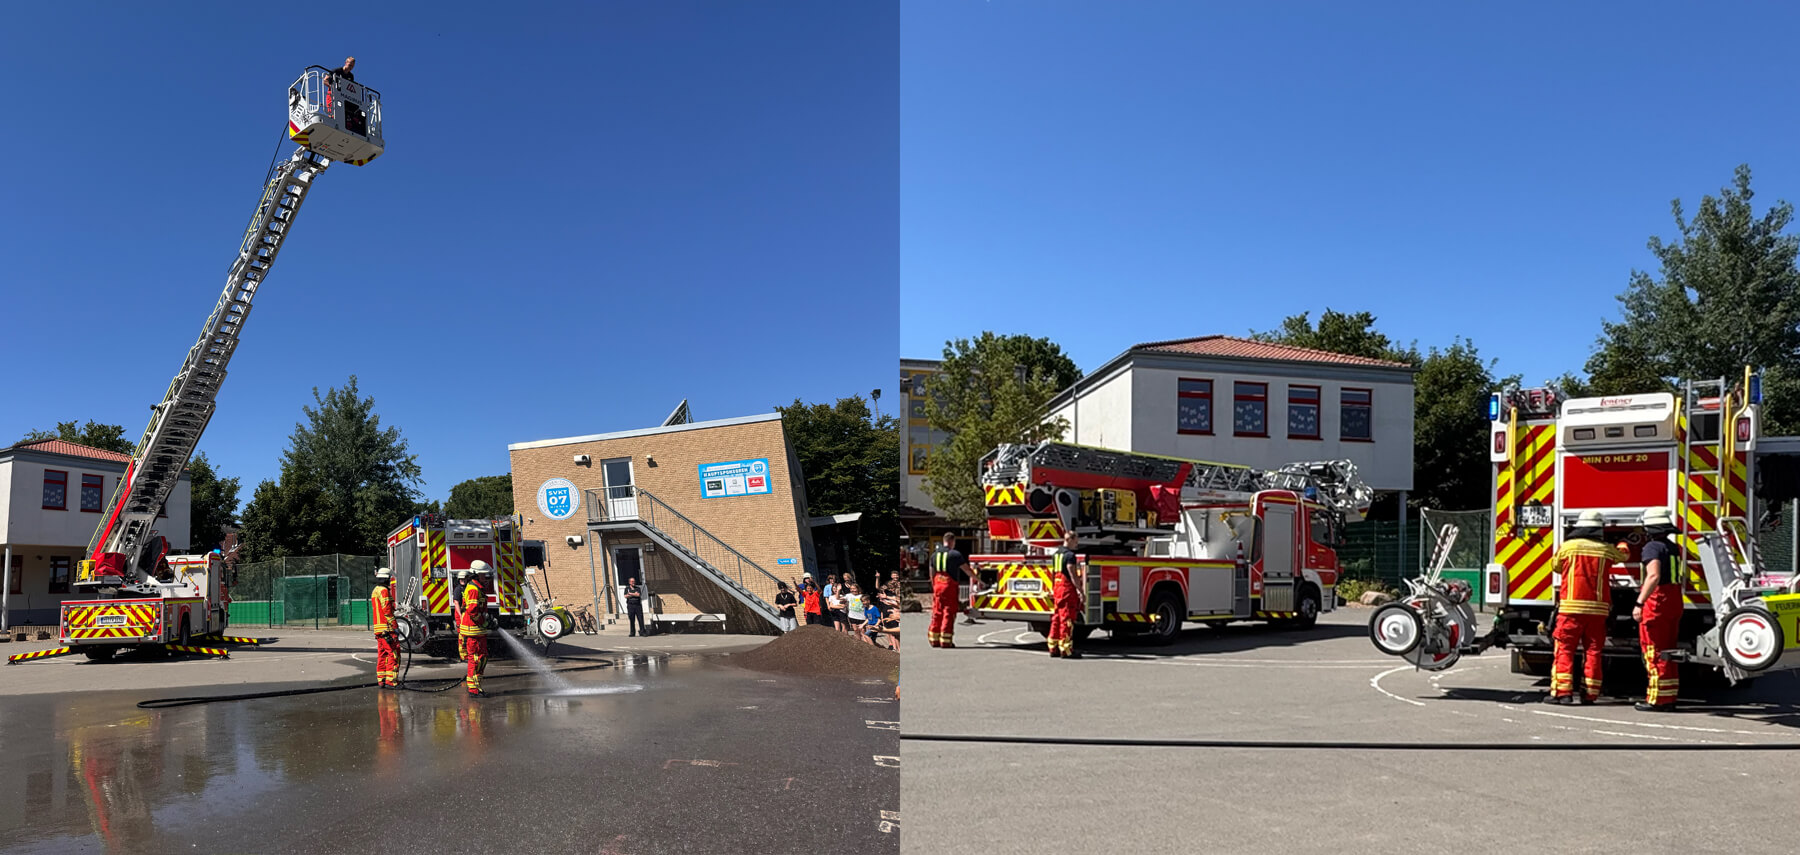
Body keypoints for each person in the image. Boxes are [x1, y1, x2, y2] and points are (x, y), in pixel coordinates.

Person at [1545, 510, 1627, 705]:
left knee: (1564, 649)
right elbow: (1623, 556)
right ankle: (1590, 694)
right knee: (1593, 651)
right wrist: (1622, 542)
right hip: (1598, 610)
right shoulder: (1605, 549)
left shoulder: (1567, 547)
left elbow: (1555, 566)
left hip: (1570, 609)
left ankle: (1562, 693)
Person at [1633, 507, 1682, 712]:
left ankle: (1655, 699)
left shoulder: (1652, 547)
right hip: (1673, 601)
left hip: (1657, 603)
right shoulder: (1672, 547)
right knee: (1668, 651)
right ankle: (1668, 696)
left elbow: (1653, 575)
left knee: (1653, 651)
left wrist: (1639, 603)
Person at [1047, 530, 1084, 659]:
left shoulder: (1056, 554)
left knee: (1056, 618)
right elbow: (1072, 573)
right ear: (1069, 539)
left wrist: (1052, 588)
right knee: (1067, 619)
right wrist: (1080, 590)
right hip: (1067, 590)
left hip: (1057, 589)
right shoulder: (1070, 556)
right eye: (1075, 542)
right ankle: (1066, 649)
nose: (1076, 545)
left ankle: (1053, 646)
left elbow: (1053, 573)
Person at [457, 563, 492, 698]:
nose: (486, 576)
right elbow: (472, 611)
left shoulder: (477, 588)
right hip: (473, 629)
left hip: (477, 629)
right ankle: (473, 689)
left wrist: (487, 618)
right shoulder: (473, 589)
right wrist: (483, 620)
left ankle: (476, 685)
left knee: (482, 657)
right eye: (483, 574)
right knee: (475, 658)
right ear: (477, 574)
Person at [929, 532, 965, 648]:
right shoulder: (955, 554)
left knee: (937, 611)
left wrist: (934, 586)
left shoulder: (934, 555)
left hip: (937, 585)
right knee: (948, 612)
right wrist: (978, 580)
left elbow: (932, 573)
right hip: (949, 586)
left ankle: (934, 639)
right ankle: (945, 640)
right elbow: (966, 569)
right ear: (952, 541)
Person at [370, 567, 398, 688]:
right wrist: (394, 625)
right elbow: (387, 610)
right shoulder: (384, 591)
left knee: (382, 654)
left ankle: (382, 679)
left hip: (378, 629)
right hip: (387, 628)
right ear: (387, 579)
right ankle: (391, 681)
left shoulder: (375, 590)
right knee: (393, 653)